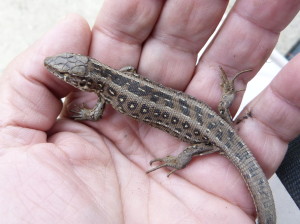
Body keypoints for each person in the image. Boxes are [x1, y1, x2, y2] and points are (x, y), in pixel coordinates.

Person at [0, 0, 299, 223]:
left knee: (197, 146)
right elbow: (129, 71)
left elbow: (96, 114)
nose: (59, 70)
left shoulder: (106, 95)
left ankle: (182, 160)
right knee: (220, 117)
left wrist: (86, 115)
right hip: (213, 121)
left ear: (80, 79)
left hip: (207, 137)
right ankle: (227, 96)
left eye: (65, 72)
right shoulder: (120, 74)